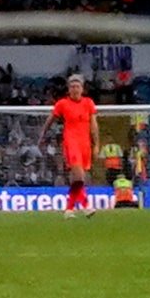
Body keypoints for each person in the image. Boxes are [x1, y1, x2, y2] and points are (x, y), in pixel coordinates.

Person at [49, 71, 98, 217]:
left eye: (78, 86)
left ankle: (69, 209)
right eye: (72, 86)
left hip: (85, 143)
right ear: (68, 89)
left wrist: (96, 144)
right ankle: (86, 206)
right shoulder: (62, 104)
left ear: (82, 89)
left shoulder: (88, 103)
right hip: (71, 142)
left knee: (77, 178)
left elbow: (94, 125)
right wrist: (43, 134)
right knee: (80, 176)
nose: (75, 89)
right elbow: (50, 119)